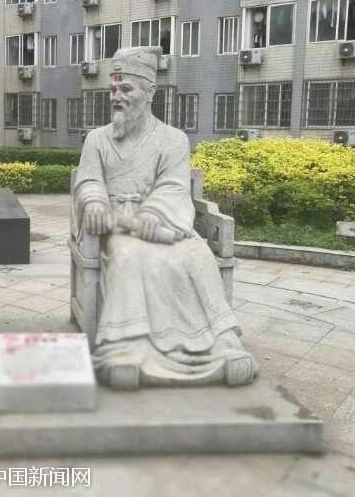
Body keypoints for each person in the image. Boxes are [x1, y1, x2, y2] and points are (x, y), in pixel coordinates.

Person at [73, 47, 258, 389]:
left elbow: (174, 187)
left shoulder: (174, 140)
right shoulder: (96, 140)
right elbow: (89, 180)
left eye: (126, 89)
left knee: (196, 255)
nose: (117, 97)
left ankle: (223, 344)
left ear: (150, 92)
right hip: (118, 225)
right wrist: (95, 202)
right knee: (129, 255)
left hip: (164, 223)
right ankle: (128, 347)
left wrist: (153, 215)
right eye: (113, 90)